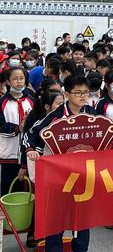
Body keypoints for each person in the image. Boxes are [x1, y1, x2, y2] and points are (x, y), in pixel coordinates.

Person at [25, 75, 96, 252]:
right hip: (58, 178)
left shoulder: (92, 114)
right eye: (77, 92)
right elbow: (31, 135)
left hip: (84, 175)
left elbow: (102, 138)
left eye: (86, 92)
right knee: (56, 218)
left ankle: (81, 249)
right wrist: (32, 150)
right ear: (66, 93)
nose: (82, 96)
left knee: (81, 218)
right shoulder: (55, 117)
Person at [19, 88, 64, 248]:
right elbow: (28, 142)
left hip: (62, 172)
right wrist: (25, 164)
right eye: (59, 104)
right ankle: (36, 234)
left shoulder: (64, 120)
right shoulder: (40, 123)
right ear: (47, 106)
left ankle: (51, 233)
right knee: (42, 204)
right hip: (43, 170)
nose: (62, 106)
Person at [0, 67, 35, 195]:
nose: (19, 82)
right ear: (8, 82)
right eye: (15, 79)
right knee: (8, 189)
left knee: (27, 189)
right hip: (9, 153)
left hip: (28, 153)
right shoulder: (2, 102)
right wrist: (17, 128)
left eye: (22, 78)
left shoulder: (31, 100)